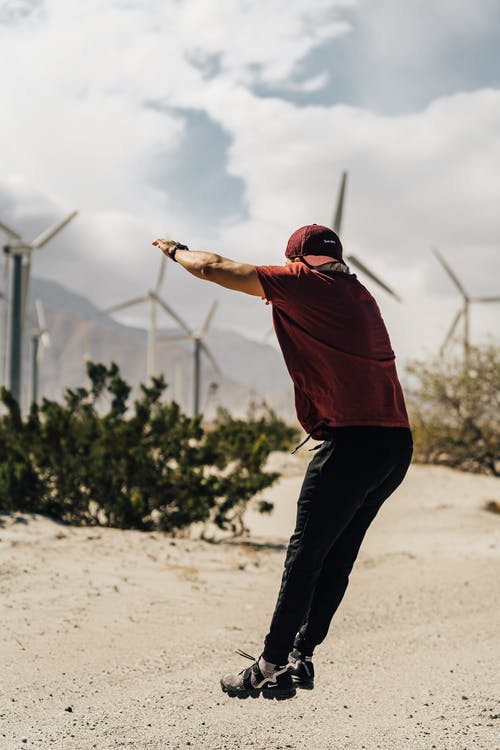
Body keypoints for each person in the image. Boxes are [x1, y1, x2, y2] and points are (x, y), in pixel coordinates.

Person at [153, 225, 412, 701]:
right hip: (395, 445)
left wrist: (176, 251)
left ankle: (271, 663)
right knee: (338, 555)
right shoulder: (358, 293)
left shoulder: (307, 284)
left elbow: (213, 268)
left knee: (305, 555)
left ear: (297, 260)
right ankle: (301, 654)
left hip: (353, 444)